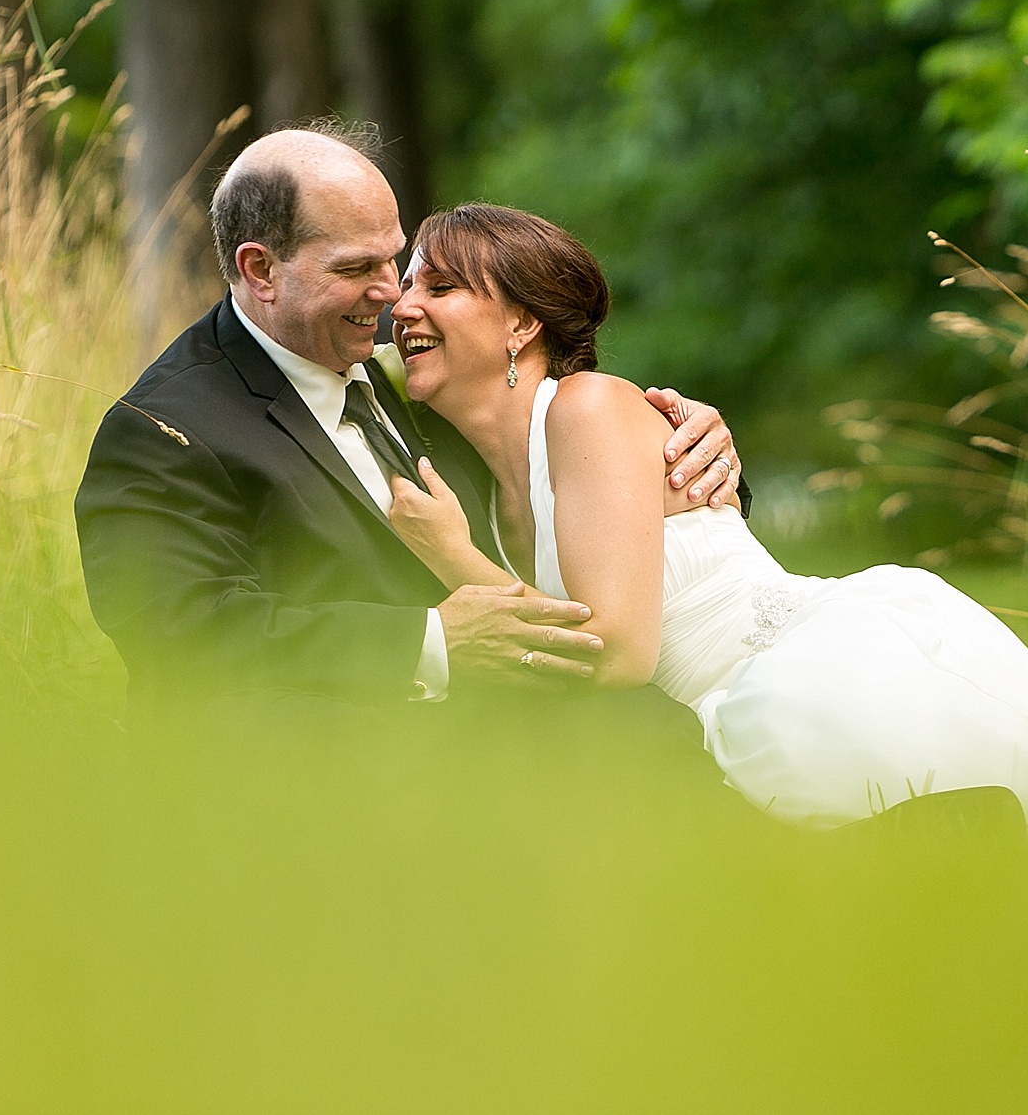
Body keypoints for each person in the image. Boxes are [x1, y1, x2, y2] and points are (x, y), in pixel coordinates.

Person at [381, 203, 1028, 846]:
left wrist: (453, 557)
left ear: (520, 326)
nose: (402, 307)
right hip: (711, 717)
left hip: (811, 674)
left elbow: (622, 651)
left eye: (437, 287)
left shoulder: (588, 407)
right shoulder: (476, 464)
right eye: (403, 286)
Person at [73, 128, 744, 710]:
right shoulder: (163, 430)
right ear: (261, 270)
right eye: (358, 266)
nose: (394, 291)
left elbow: (598, 485)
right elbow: (183, 632)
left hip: (561, 733)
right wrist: (429, 642)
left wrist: (696, 448)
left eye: (394, 255)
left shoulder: (426, 378)